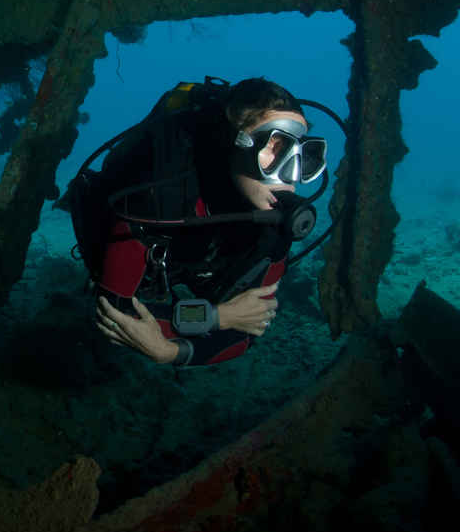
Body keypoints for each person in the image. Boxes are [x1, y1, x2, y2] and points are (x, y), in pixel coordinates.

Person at [70, 76, 338, 368]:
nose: (291, 174)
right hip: (147, 245)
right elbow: (113, 315)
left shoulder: (276, 220)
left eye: (303, 155)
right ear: (232, 144)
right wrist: (216, 317)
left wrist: (171, 352)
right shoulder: (160, 194)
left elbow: (247, 330)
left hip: (201, 261)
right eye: (274, 147)